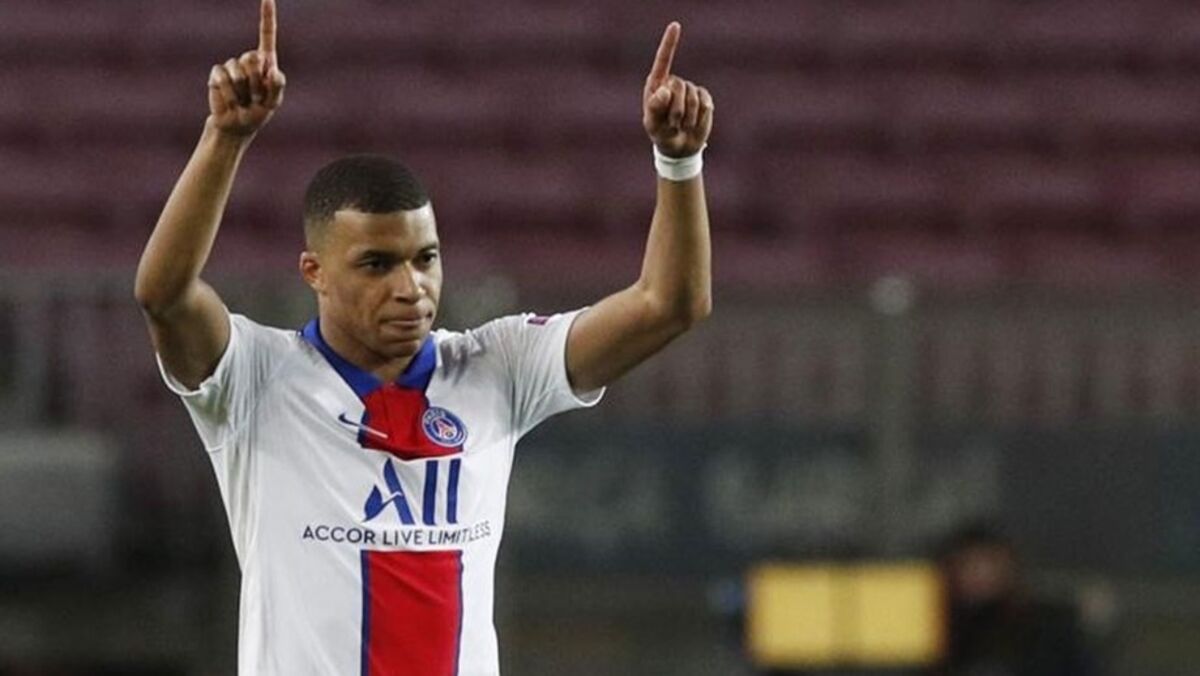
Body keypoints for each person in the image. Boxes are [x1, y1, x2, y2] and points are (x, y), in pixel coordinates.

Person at [132, 1, 713, 674]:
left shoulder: (498, 367)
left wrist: (679, 162)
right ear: (314, 272)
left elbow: (669, 304)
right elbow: (164, 294)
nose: (411, 287)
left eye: (425, 258)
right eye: (377, 264)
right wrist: (224, 138)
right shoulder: (255, 381)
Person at [930, 523, 1097, 676]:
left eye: (987, 563)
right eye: (967, 564)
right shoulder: (942, 629)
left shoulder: (1049, 626)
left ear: (1008, 566)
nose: (978, 574)